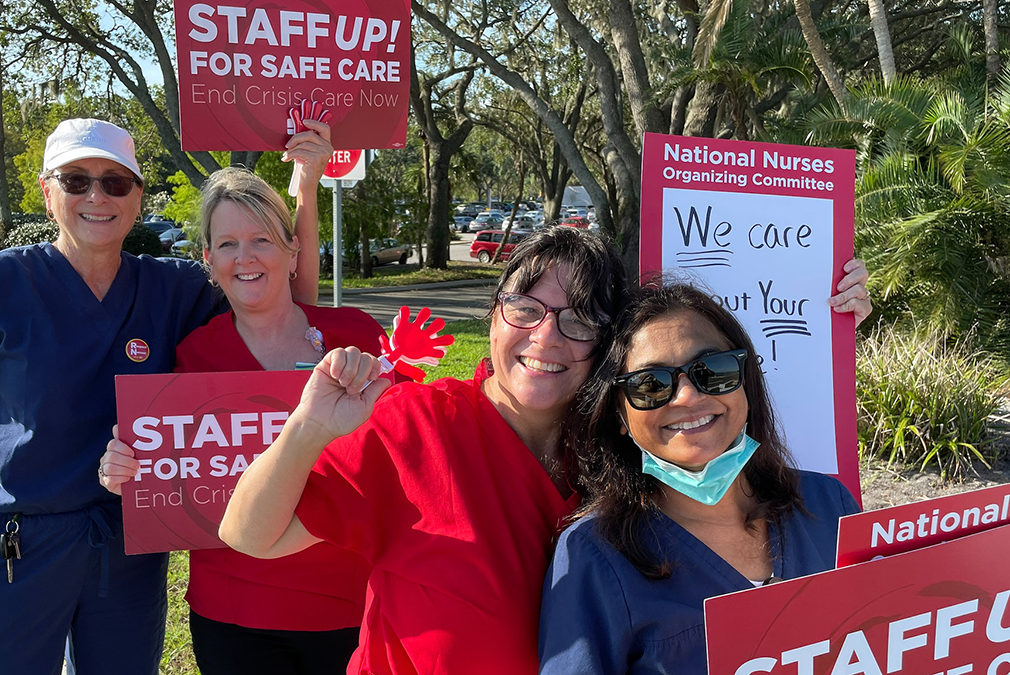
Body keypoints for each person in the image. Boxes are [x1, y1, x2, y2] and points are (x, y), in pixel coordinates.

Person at [217, 228, 873, 675]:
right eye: (526, 308)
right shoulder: (418, 427)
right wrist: (306, 429)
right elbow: (249, 533)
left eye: (579, 318)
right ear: (494, 314)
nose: (547, 336)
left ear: (609, 349)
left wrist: (829, 312)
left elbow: (723, 417)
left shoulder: (631, 448)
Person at [0, 116, 331, 674]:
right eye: (76, 180)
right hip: (12, 543)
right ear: (47, 191)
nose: (96, 196)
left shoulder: (173, 287)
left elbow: (285, 297)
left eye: (115, 181)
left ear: (136, 196)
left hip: (126, 546)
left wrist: (306, 184)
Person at [97, 166, 388, 675]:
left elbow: (403, 455)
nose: (245, 257)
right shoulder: (193, 356)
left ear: (293, 250)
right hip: (235, 614)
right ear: (208, 259)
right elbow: (173, 473)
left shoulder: (355, 336)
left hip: (352, 604)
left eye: (261, 239)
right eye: (228, 244)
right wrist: (126, 471)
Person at [537, 280, 862, 675]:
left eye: (713, 370)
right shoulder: (596, 553)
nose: (687, 396)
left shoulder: (830, 504)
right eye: (651, 385)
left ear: (745, 379)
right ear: (620, 415)